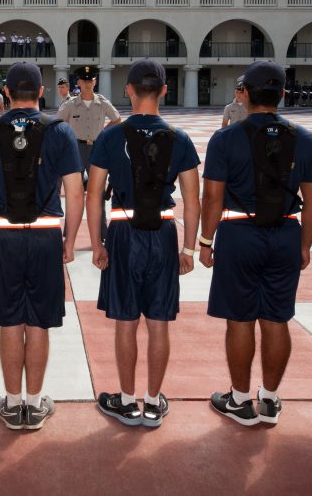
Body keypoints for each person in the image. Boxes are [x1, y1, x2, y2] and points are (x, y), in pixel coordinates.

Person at [199, 60, 312, 426]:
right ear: (283, 94)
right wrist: (305, 243)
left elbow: (213, 198)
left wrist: (205, 242)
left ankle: (240, 400)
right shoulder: (304, 138)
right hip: (285, 232)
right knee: (277, 318)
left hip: (239, 232)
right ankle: (269, 399)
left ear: (247, 95)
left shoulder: (226, 138)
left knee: (240, 319)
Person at [0, 62, 83, 430]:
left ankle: (13, 405)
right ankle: (35, 403)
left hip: (3, 235)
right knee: (39, 322)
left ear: (6, 94)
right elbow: (76, 192)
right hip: (46, 234)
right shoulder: (60, 131)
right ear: (41, 92)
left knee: (10, 321)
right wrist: (70, 240)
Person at [88, 60, 201, 429]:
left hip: (122, 231)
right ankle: (153, 402)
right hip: (164, 232)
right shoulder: (179, 138)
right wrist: (189, 249)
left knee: (125, 320)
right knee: (158, 322)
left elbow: (93, 196)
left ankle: (125, 400)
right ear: (165, 90)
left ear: (129, 90)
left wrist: (97, 243)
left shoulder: (111, 136)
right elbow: (192, 199)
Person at [58, 65, 121, 241]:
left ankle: (103, 232)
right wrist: (67, 138)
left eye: (90, 80)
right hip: (75, 150)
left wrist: (103, 134)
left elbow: (116, 119)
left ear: (95, 81)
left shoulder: (102, 102)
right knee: (74, 193)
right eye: (84, 80)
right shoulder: (70, 104)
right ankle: (69, 232)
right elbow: (58, 122)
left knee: (98, 193)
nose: (87, 83)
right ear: (78, 82)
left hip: (97, 149)